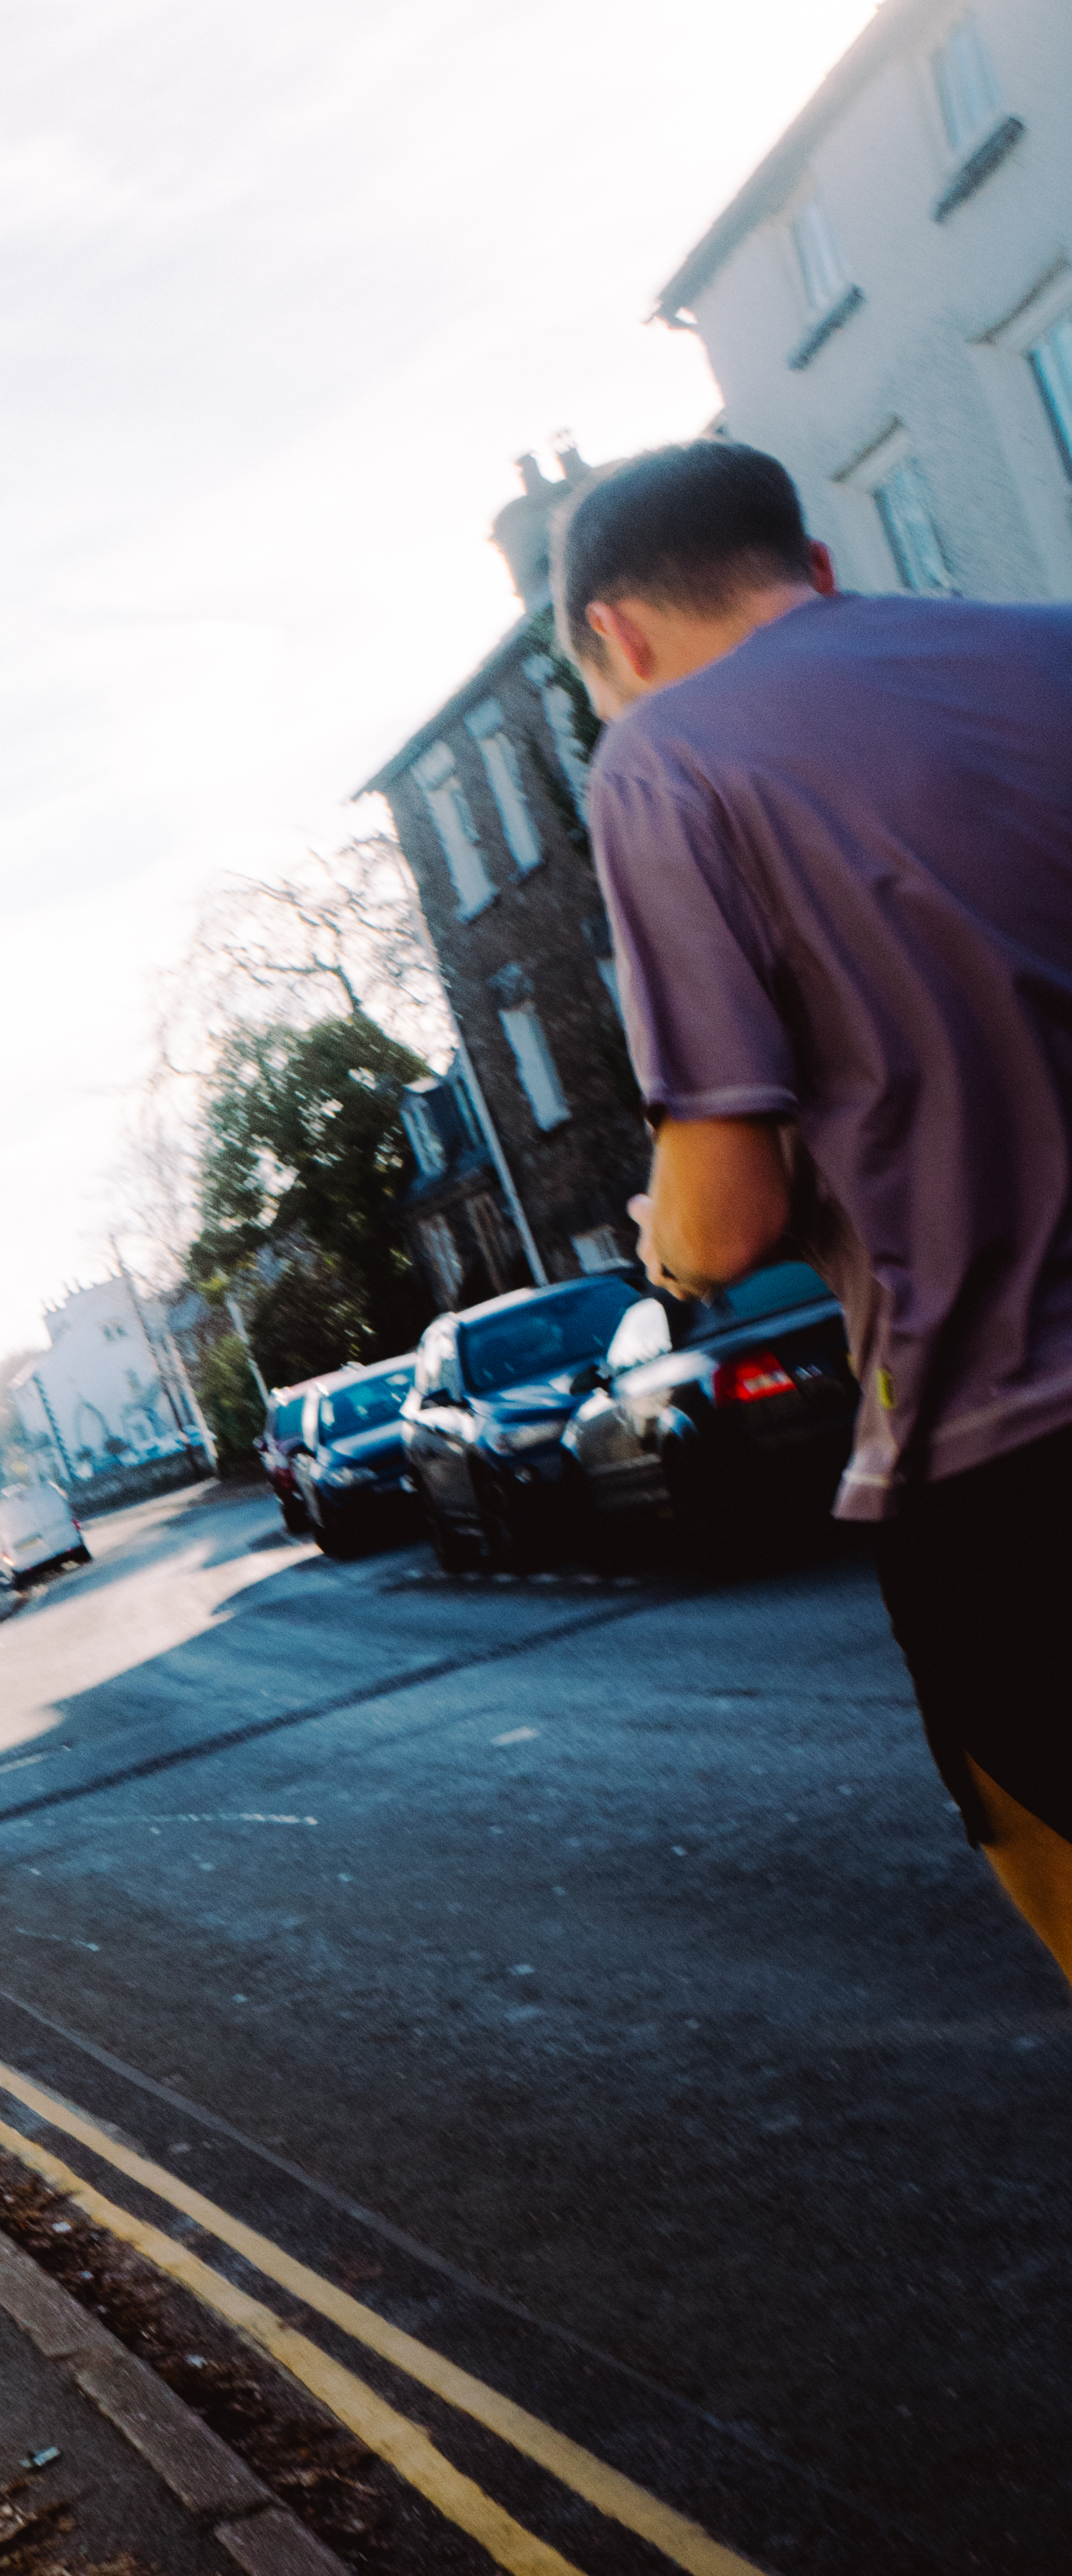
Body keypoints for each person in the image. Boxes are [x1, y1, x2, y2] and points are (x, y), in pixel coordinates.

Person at [561, 438, 1072, 1989]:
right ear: (819, 567)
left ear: (615, 636)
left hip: (1012, 1452)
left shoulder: (660, 760)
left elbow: (721, 1219)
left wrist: (662, 1239)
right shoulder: (1047, 647)